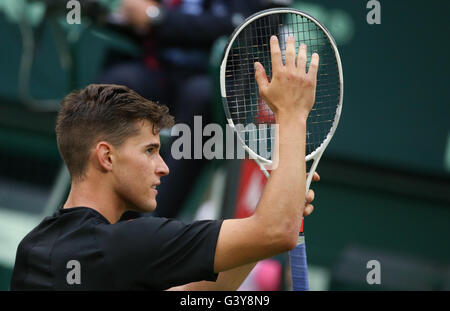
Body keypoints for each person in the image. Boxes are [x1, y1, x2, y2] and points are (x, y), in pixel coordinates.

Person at [10, 36, 320, 290]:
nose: (164, 166)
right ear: (107, 157)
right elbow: (277, 231)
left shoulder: (36, 248)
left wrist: (276, 211)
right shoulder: (126, 244)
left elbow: (204, 293)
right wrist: (292, 114)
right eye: (149, 151)